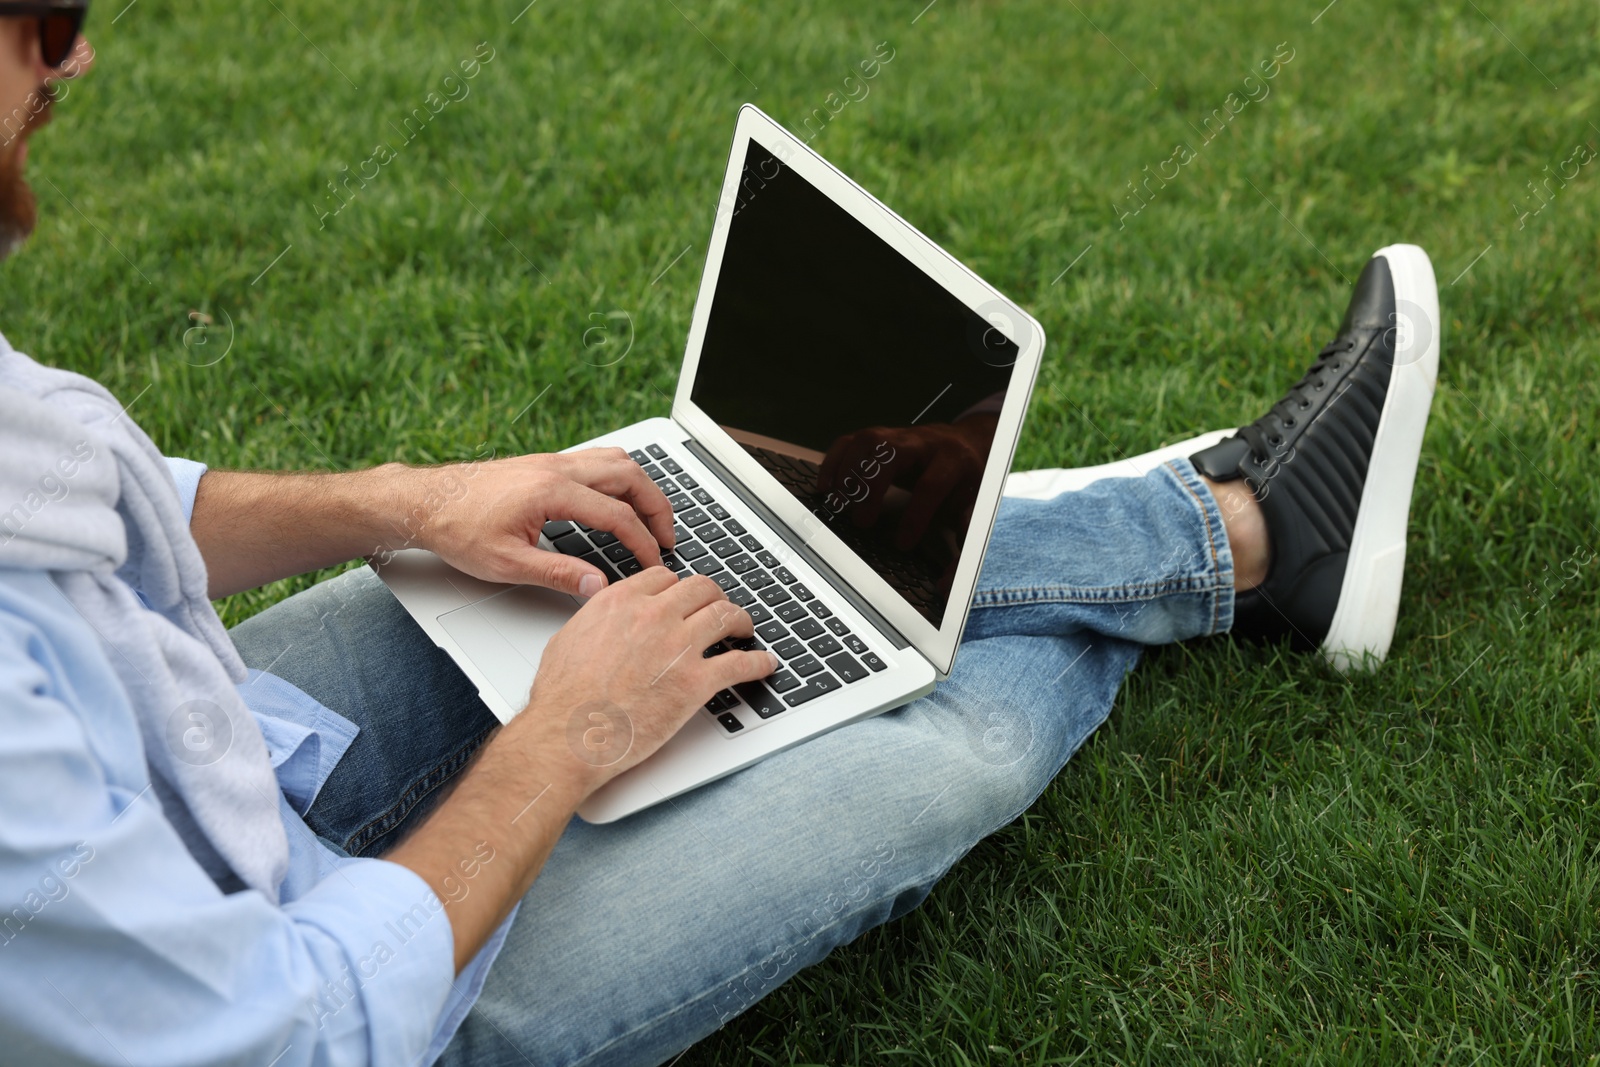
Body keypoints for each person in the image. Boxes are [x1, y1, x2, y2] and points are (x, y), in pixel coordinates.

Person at [0, 7, 1439, 1066]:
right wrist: (561, 741)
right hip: (332, 1017)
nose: (74, 61)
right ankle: (1243, 545)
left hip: (213, 750)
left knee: (710, 555)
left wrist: (406, 499)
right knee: (930, 749)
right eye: (37, 22)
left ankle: (1160, 534)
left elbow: (98, 505)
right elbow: (283, 1039)